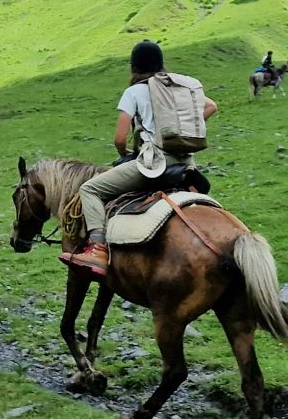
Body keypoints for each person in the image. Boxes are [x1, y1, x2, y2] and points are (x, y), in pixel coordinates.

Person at [65, 40, 218, 278]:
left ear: (134, 66)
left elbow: (119, 138)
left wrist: (126, 153)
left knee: (89, 189)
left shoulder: (134, 91)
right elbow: (211, 106)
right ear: (161, 63)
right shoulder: (176, 87)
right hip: (187, 164)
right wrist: (180, 131)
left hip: (154, 165)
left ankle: (97, 248)